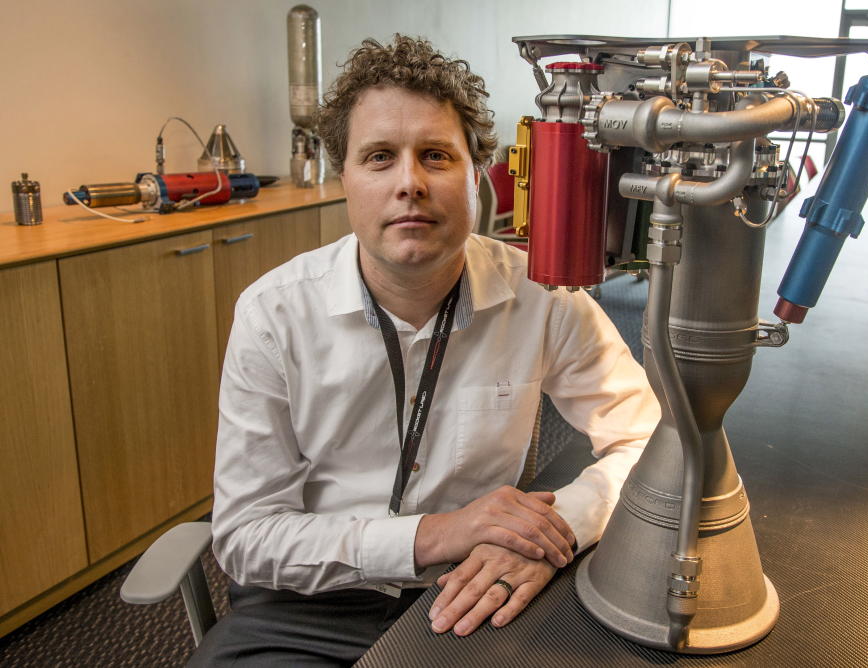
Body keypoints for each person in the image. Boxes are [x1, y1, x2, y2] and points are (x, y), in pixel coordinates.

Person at [190, 34, 660, 666]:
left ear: (475, 177)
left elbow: (653, 443)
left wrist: (562, 527)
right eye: (379, 157)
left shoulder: (543, 297)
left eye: (436, 156)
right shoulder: (274, 315)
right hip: (311, 599)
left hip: (477, 587)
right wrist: (437, 532)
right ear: (345, 179)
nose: (408, 183)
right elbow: (248, 536)